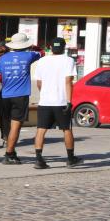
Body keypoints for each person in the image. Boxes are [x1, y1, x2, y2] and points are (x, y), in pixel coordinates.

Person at [32, 37, 83, 169]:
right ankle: (71, 158)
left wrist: (45, 93)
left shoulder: (42, 61)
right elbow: (68, 82)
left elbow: (39, 82)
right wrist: (69, 101)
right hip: (61, 101)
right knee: (66, 129)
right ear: (64, 47)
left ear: (51, 48)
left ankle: (38, 159)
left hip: (45, 101)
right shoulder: (69, 60)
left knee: (41, 129)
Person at [0, 32, 42, 165]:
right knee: (16, 126)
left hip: (5, 95)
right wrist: (32, 45)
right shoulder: (29, 55)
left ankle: (12, 152)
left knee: (10, 126)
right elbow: (42, 52)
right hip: (20, 96)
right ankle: (9, 153)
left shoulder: (3, 58)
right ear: (25, 44)